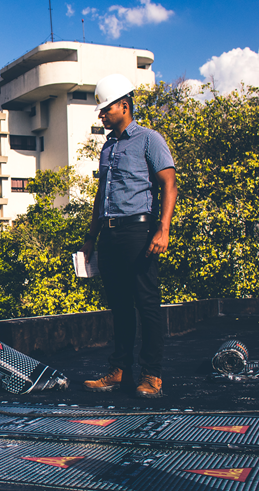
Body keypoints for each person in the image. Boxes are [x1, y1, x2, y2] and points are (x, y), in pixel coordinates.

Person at [79, 74, 177, 398]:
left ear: (124, 105)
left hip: (138, 230)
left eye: (105, 109)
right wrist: (91, 237)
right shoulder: (107, 148)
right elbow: (101, 194)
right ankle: (120, 371)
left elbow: (168, 184)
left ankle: (152, 375)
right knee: (119, 306)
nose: (101, 115)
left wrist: (162, 230)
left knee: (146, 304)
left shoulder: (149, 139)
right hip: (109, 234)